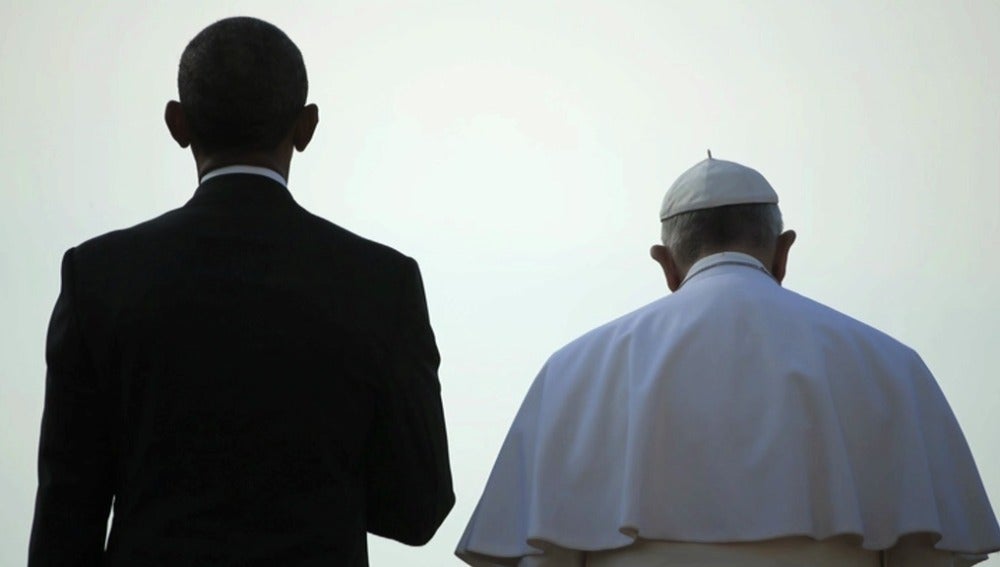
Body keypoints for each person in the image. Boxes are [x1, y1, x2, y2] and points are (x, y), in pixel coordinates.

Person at [28, 17, 453, 566]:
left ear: (178, 124)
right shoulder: (381, 283)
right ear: (306, 127)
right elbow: (419, 510)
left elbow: (66, 520)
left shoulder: (100, 276)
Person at [456, 154, 1000, 566]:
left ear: (665, 264)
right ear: (783, 251)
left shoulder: (572, 372)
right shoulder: (888, 364)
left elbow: (539, 555)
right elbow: (930, 553)